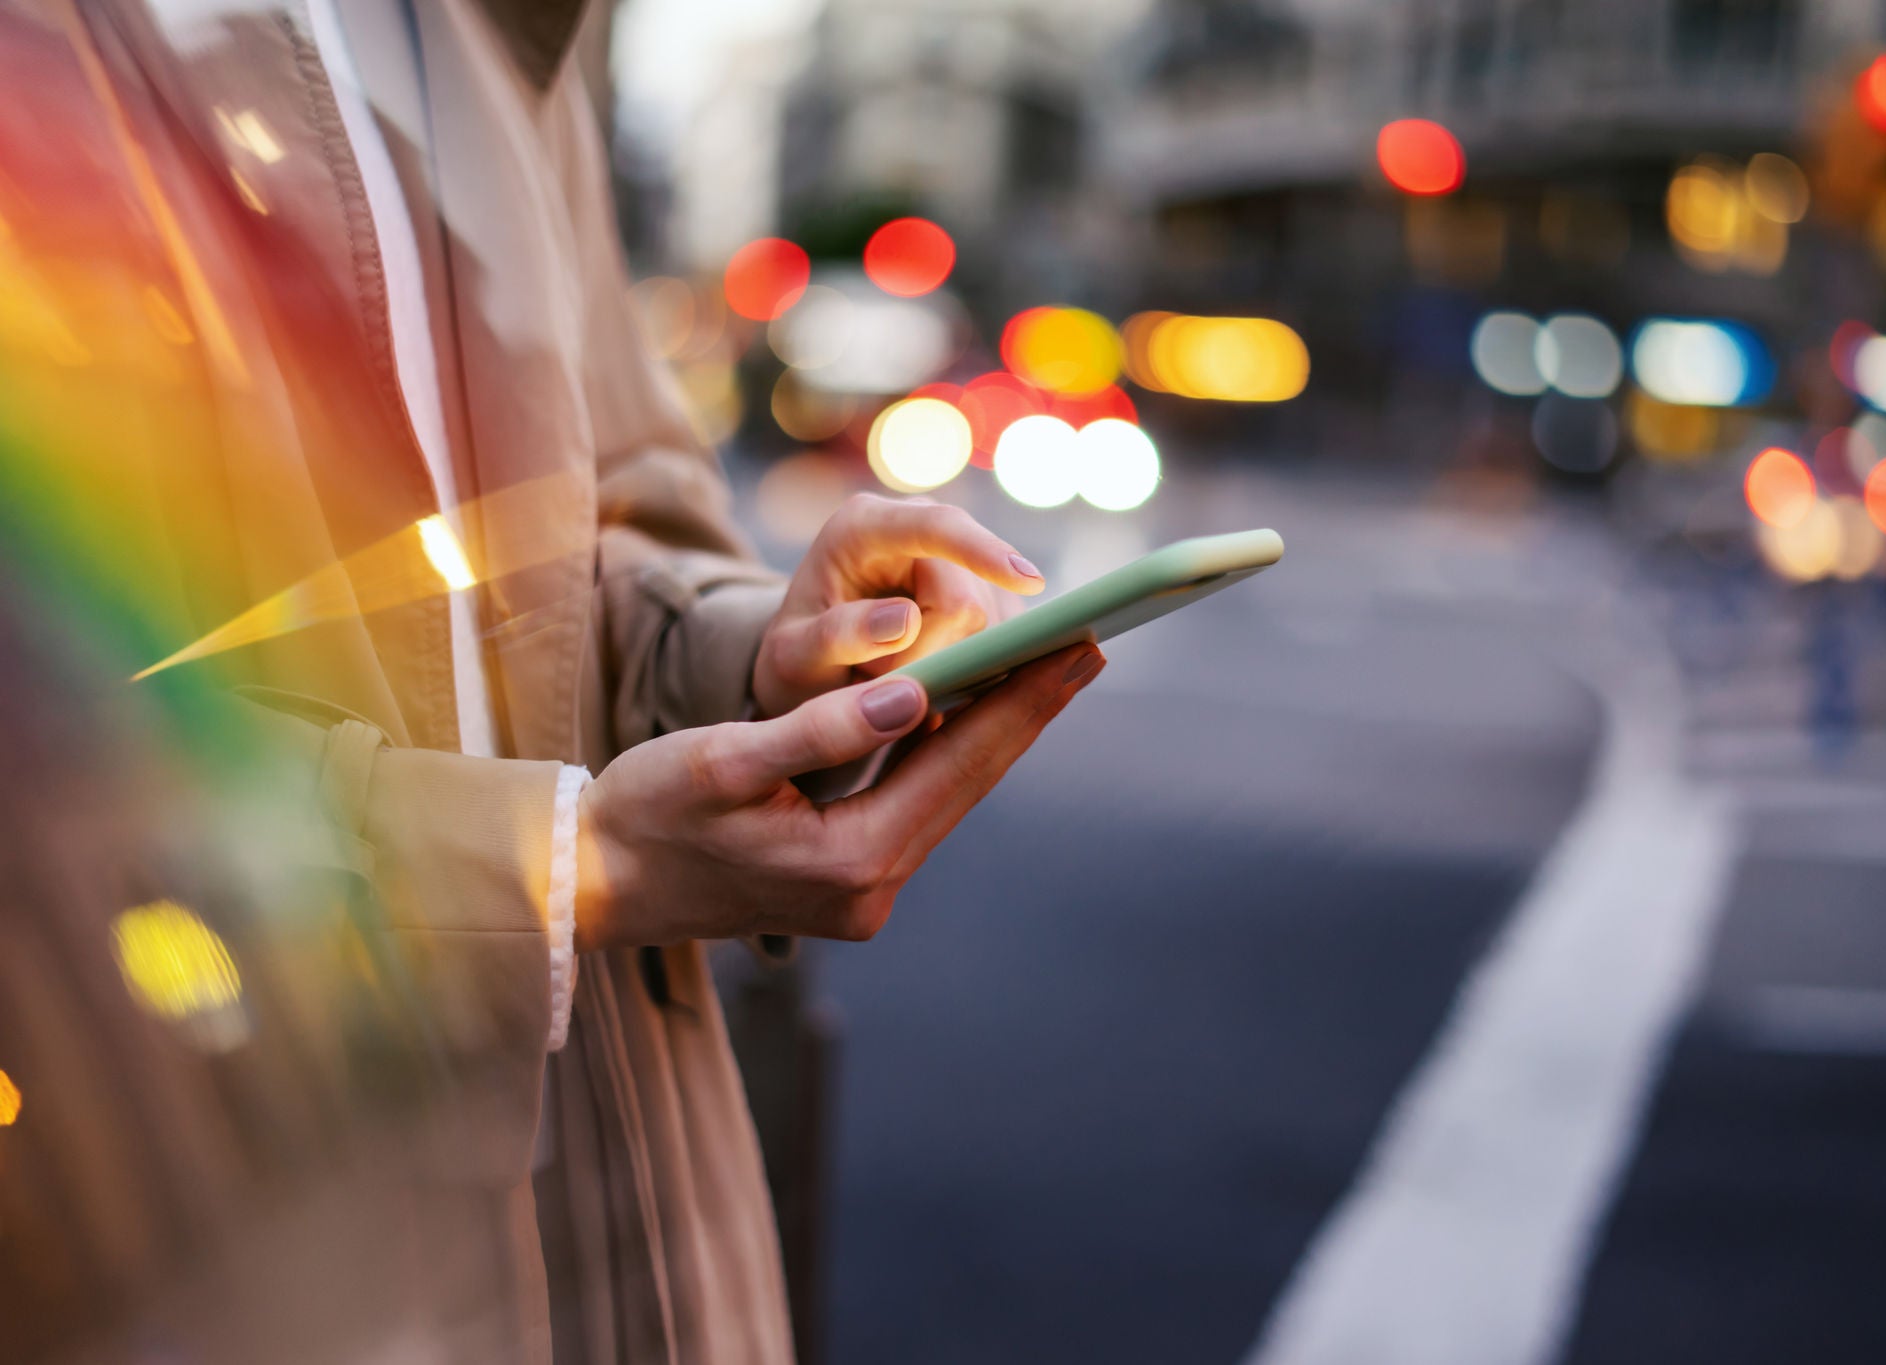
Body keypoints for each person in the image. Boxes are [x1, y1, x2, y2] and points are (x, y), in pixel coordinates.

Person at [1, 1, 1103, 1360]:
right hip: (226, 1272)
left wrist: (757, 654)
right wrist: (556, 865)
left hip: (628, 1236)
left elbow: (596, 516)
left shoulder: (498, 32)